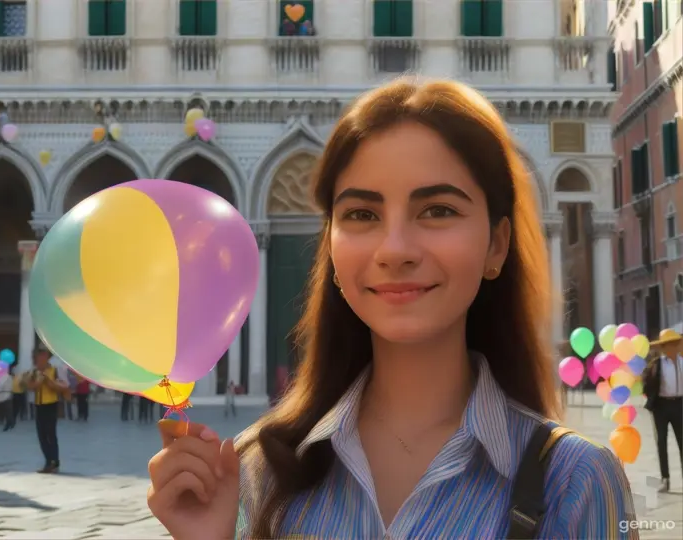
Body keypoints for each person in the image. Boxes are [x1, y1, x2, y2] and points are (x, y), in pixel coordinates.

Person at [147, 80, 637, 539]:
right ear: (333, 252)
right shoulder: (259, 470)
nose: (395, 249)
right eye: (362, 215)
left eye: (438, 210)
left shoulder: (576, 483)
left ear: (496, 245)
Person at [644, 328, 683, 493]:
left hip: (679, 404)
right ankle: (665, 478)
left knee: (682, 442)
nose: (672, 348)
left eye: (674, 344)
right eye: (668, 345)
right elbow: (647, 384)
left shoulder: (682, 362)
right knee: (661, 441)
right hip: (661, 406)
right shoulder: (657, 365)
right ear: (663, 348)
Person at [26, 344, 64, 473]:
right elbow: (30, 387)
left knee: (51, 434)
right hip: (39, 405)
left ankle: (54, 461)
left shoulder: (54, 370)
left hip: (51, 404)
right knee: (41, 435)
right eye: (38, 357)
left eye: (42, 356)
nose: (40, 359)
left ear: (47, 357)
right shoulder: (34, 371)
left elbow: (60, 387)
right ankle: (49, 461)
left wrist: (49, 381)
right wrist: (37, 383)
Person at [0, 365, 15, 431]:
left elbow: (0, 386)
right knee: (8, 410)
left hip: (4, 395)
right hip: (7, 394)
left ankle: (9, 423)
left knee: (7, 410)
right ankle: (10, 423)